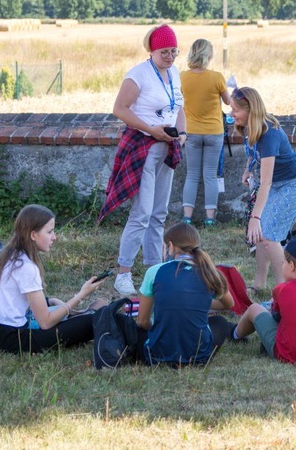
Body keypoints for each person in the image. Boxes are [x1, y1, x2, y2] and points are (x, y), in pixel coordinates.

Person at [97, 24, 187, 295]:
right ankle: (123, 273)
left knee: (159, 212)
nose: (170, 57)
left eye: (174, 51)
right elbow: (119, 109)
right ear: (152, 50)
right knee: (142, 213)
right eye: (164, 52)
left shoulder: (174, 73)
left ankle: (154, 269)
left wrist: (181, 134)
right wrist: (151, 130)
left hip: (167, 146)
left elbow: (180, 107)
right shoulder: (138, 75)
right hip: (143, 147)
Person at [0, 204, 105, 354]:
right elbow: (46, 322)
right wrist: (81, 294)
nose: (54, 237)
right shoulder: (26, 266)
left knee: (89, 309)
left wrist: (50, 301)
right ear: (33, 235)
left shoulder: (3, 257)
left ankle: (81, 312)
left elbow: (13, 299)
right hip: (10, 339)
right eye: (49, 232)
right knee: (94, 320)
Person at [230, 87, 296, 290]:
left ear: (251, 110)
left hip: (293, 184)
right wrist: (248, 169)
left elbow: (265, 183)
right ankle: (259, 284)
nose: (231, 114)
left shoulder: (269, 133)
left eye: (235, 110)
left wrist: (255, 218)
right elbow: (252, 151)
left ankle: (284, 288)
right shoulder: (251, 127)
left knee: (268, 235)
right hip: (276, 183)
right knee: (261, 235)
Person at [136, 222, 235, 366]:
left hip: (157, 356)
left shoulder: (154, 271)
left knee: (137, 329)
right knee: (220, 322)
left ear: (170, 246)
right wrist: (199, 301)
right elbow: (229, 304)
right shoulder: (210, 272)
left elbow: (142, 321)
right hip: (199, 357)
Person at [180, 39, 231, 226]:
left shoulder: (182, 77)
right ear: (209, 56)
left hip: (191, 131)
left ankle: (187, 217)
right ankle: (210, 219)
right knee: (210, 175)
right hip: (214, 131)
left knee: (192, 174)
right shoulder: (217, 77)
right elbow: (228, 102)